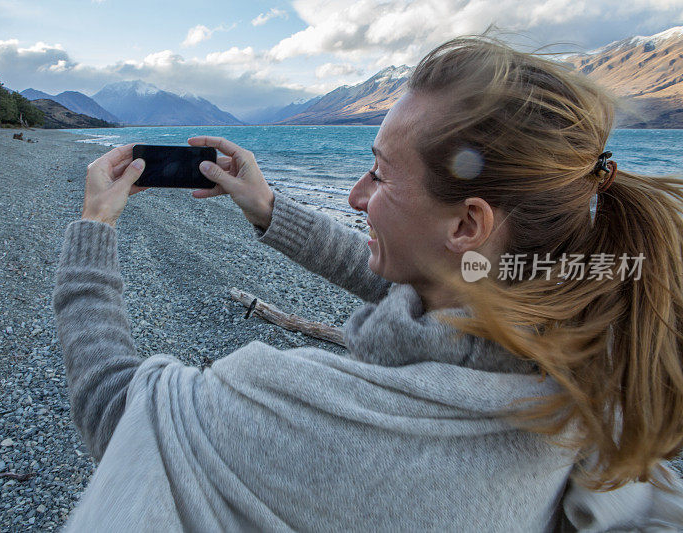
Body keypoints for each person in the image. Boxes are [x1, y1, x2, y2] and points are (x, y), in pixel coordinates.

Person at [52, 34, 683, 531]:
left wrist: (94, 227)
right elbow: (437, 290)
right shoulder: (577, 362)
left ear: (468, 223)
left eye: (379, 174)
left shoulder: (294, 410)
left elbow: (116, 407)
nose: (355, 196)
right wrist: (267, 207)